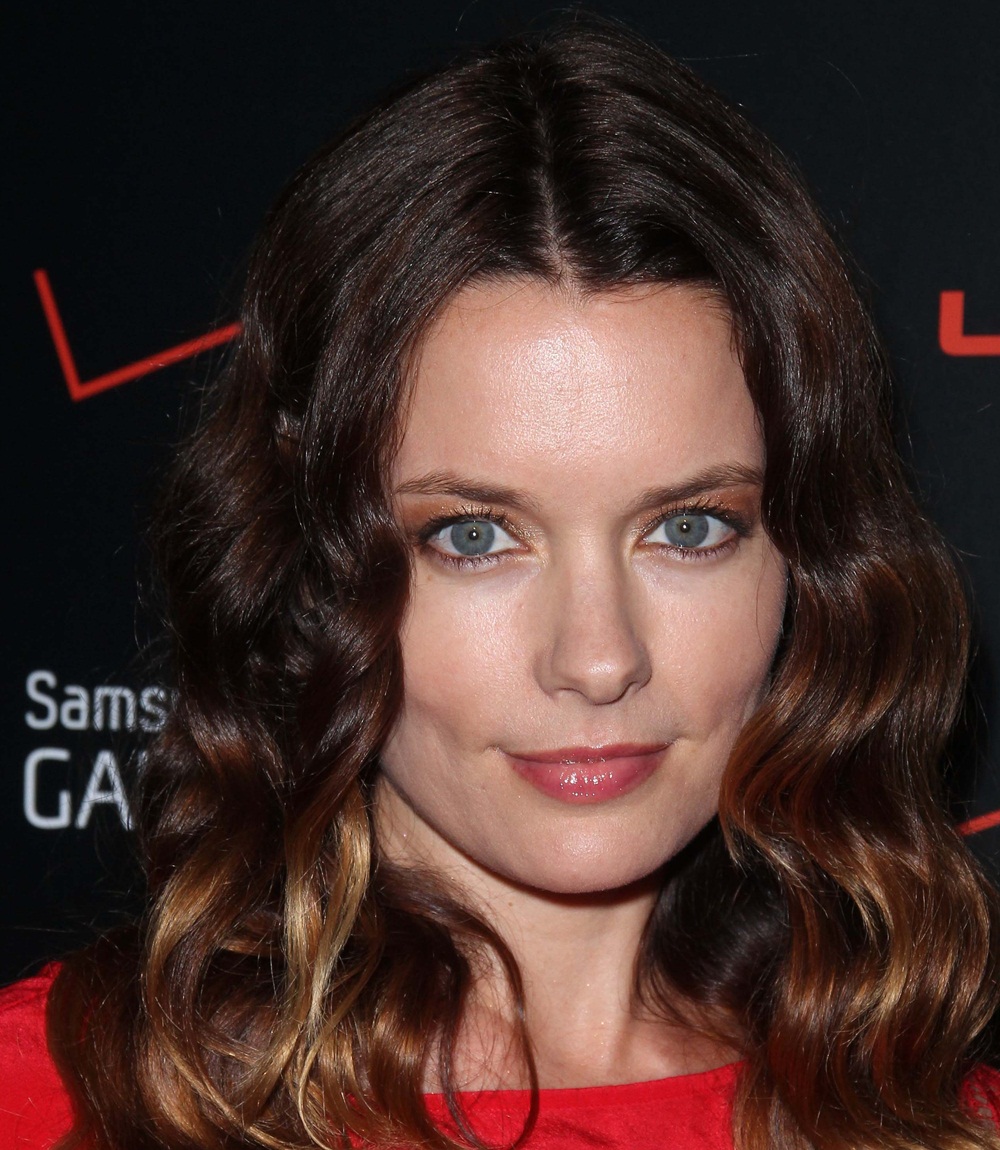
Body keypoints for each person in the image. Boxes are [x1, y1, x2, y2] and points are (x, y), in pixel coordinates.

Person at [3, 16, 1000, 1150]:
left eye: (687, 528)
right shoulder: (67, 1102)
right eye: (475, 536)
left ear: (808, 564)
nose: (598, 658)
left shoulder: (936, 1124)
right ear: (308, 562)